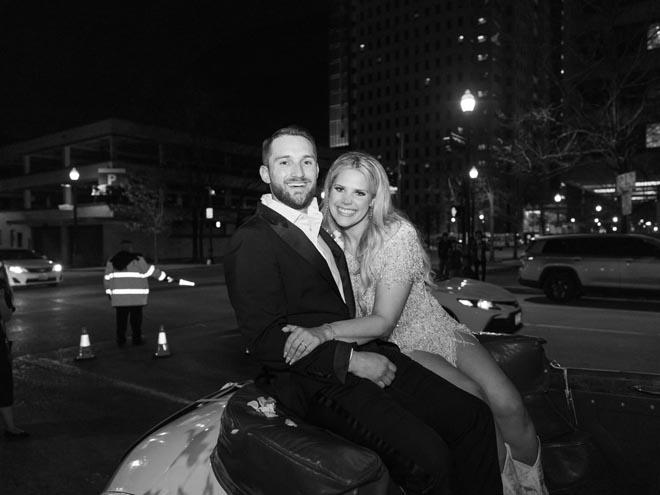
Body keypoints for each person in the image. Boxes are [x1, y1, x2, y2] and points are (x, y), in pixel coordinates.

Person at [224, 126, 502, 494]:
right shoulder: (253, 238)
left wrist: (360, 353)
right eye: (284, 162)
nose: (297, 171)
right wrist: (349, 361)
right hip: (320, 380)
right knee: (429, 457)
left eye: (306, 161)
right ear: (265, 174)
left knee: (474, 415)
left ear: (317, 172)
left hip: (371, 351)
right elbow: (262, 339)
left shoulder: (323, 226)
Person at [283, 151, 548, 495]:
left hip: (432, 326)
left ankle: (535, 489)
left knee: (510, 406)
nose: (347, 201)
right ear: (327, 190)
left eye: (359, 193)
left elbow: (382, 319)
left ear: (374, 198)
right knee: (475, 405)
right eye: (339, 189)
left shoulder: (396, 235)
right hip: (399, 346)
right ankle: (503, 487)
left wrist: (324, 333)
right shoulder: (322, 242)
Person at [103, 240, 171, 347]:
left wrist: (109, 293)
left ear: (121, 248)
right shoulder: (138, 260)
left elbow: (107, 279)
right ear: (130, 248)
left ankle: (121, 340)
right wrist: (165, 277)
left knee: (121, 321)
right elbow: (150, 271)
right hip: (136, 298)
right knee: (136, 321)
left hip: (120, 299)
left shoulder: (112, 261)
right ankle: (136, 339)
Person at [0, 262, 28, 439]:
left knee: (3, 383)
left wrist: (1, 297)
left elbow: (6, 316)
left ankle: (10, 427)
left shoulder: (2, 288)